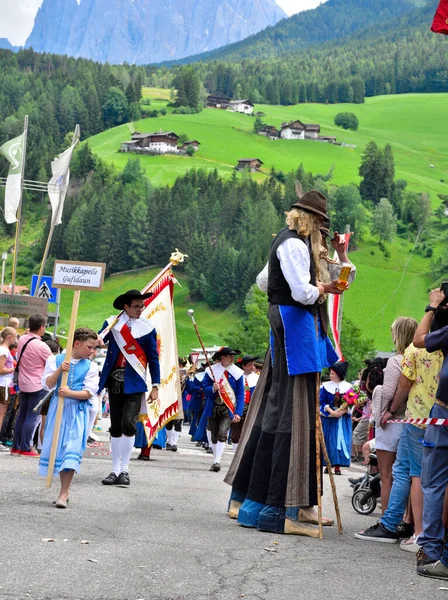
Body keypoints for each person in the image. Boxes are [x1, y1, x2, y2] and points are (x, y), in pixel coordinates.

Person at [226, 187, 349, 537]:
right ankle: (284, 508)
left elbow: (264, 280)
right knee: (295, 414)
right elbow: (302, 293)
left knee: (282, 410)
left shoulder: (288, 241)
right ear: (313, 221)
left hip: (283, 324)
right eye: (322, 227)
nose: (323, 234)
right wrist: (323, 289)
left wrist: (333, 260)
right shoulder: (296, 245)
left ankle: (281, 504)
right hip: (296, 327)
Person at [354, 314, 443, 550]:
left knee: (415, 474)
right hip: (431, 417)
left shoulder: (415, 350)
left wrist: (389, 410)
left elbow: (402, 385)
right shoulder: (442, 350)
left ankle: (419, 532)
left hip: (417, 418)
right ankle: (392, 523)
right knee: (402, 470)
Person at [97, 289, 160, 487]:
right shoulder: (112, 323)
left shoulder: (148, 328)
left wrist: (155, 385)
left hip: (134, 383)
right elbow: (99, 341)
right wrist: (98, 339)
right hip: (114, 381)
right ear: (126, 307)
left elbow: (153, 358)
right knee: (115, 426)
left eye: (142, 306)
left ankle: (125, 469)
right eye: (136, 306)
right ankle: (114, 469)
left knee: (129, 425)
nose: (141, 309)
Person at [410, 288, 448, 579]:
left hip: (444, 411)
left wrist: (433, 306)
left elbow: (419, 340)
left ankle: (432, 551)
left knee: (433, 481)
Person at [39, 328, 99, 508]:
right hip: (58, 409)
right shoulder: (55, 360)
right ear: (77, 344)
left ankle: (64, 493)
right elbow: (47, 385)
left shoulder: (91, 366)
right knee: (58, 449)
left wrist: (70, 392)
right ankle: (62, 489)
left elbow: (89, 392)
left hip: (77, 411)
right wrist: (59, 370)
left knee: (71, 449)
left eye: (94, 348)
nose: (92, 351)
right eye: (89, 347)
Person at [371, 317, 418, 513]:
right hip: (410, 420)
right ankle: (406, 518)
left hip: (391, 422)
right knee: (407, 475)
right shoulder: (417, 358)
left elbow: (389, 391)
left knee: (387, 475)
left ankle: (387, 518)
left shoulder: (395, 361)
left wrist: (378, 396)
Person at [12, 313, 52, 457]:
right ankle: (25, 447)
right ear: (42, 327)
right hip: (37, 384)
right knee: (32, 416)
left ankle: (16, 446)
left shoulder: (22, 339)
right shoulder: (42, 346)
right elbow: (52, 363)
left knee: (22, 414)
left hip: (23, 383)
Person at [202, 347, 244, 472]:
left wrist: (238, 412)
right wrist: (213, 388)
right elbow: (205, 387)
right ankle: (215, 458)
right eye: (230, 356)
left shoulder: (237, 373)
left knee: (222, 434)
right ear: (223, 358)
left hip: (228, 408)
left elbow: (240, 394)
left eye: (233, 356)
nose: (232, 358)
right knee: (214, 435)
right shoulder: (211, 371)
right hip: (213, 406)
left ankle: (217, 461)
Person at [320, 360, 352, 476]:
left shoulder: (348, 387)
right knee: (329, 440)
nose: (331, 375)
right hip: (329, 418)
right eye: (330, 373)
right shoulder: (325, 387)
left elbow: (351, 402)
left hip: (342, 418)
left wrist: (341, 411)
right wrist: (331, 412)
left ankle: (338, 466)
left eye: (333, 373)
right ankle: (328, 464)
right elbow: (322, 401)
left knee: (340, 440)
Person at [231, 355, 259, 452]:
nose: (253, 367)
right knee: (236, 433)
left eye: (253, 365)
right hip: (238, 408)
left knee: (249, 433)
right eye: (250, 365)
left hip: (251, 409)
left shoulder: (257, 378)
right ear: (243, 366)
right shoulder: (237, 377)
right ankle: (235, 454)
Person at [0, 327, 17, 451]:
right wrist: (13, 368)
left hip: (5, 384)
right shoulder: (4, 351)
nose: (16, 339)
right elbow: (1, 370)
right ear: (9, 337)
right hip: (4, 384)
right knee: (1, 414)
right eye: (15, 336)